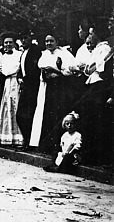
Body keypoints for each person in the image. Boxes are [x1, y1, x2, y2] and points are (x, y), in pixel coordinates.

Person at [30, 34, 78, 156]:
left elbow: (70, 70)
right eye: (47, 41)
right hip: (47, 87)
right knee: (46, 113)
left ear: (57, 41)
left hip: (60, 87)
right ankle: (46, 145)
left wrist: (56, 71)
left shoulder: (64, 53)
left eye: (51, 41)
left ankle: (57, 145)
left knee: (57, 113)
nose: (49, 43)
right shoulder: (44, 54)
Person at [74, 33, 112, 165]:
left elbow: (97, 68)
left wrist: (91, 67)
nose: (89, 37)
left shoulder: (105, 48)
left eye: (91, 33)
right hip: (93, 85)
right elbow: (87, 70)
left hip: (100, 86)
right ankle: (87, 154)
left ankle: (95, 156)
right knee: (87, 119)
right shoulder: (96, 49)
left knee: (95, 122)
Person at [15, 31, 42, 151]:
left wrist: (25, 79)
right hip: (25, 87)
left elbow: (34, 70)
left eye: (26, 38)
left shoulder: (35, 51)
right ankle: (27, 140)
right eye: (22, 38)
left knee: (29, 114)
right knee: (20, 115)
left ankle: (30, 143)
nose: (24, 40)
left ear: (31, 38)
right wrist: (19, 78)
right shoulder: (23, 53)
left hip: (33, 87)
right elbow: (21, 69)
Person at [0, 33, 23, 146]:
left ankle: (18, 137)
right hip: (7, 82)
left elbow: (17, 67)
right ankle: (7, 137)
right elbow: (4, 70)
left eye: (10, 42)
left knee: (16, 106)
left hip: (16, 82)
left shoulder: (19, 54)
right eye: (6, 42)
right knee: (7, 107)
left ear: (14, 43)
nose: (7, 44)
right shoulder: (4, 56)